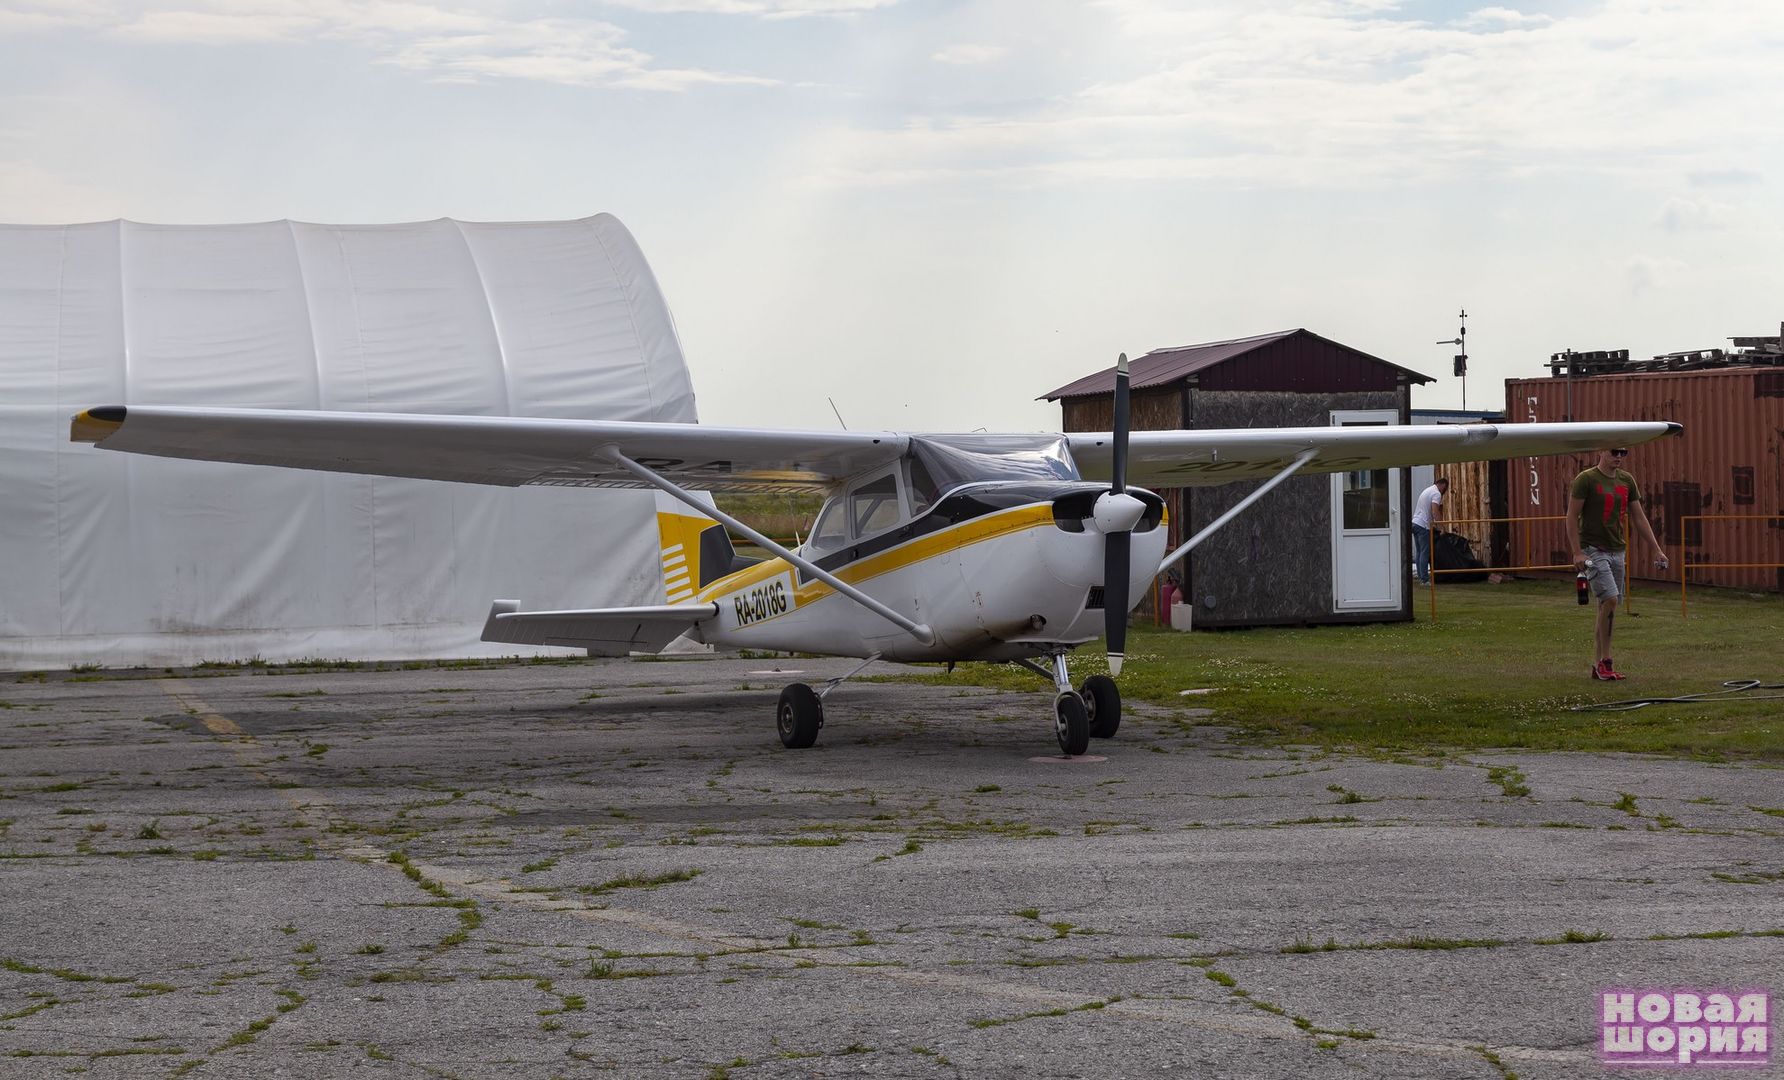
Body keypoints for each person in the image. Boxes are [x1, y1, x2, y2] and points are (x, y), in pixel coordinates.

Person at [1567, 447, 1667, 680]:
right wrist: (1577, 552)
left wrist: (1656, 549)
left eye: (1623, 453)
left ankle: (1597, 665)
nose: (1619, 457)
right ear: (1601, 451)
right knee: (1611, 599)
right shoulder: (1586, 479)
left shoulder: (1626, 480)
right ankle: (1606, 660)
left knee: (1606, 606)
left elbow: (1639, 517)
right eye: (1614, 452)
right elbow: (1571, 516)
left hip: (1617, 551)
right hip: (1593, 550)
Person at [1411, 477, 1448, 584]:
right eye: (1444, 488)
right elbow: (1435, 510)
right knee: (1424, 552)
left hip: (1415, 522)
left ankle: (1420, 575)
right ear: (1442, 485)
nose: (1443, 491)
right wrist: (1441, 527)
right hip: (1423, 525)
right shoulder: (1436, 493)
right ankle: (1424, 579)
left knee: (1419, 552)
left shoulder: (1427, 490)